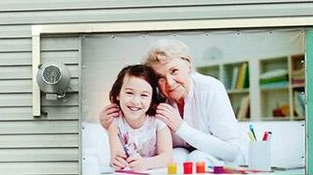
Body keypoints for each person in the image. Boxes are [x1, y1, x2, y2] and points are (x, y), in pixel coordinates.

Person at [100, 39, 244, 164]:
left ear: (188, 65)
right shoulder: (155, 96)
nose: (169, 83)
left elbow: (232, 152)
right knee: (177, 157)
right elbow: (142, 141)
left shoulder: (210, 88)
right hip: (181, 156)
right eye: (160, 77)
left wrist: (181, 127)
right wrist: (110, 125)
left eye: (174, 71)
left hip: (219, 160)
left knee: (197, 158)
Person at [106, 64, 172, 172]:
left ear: (152, 99)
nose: (136, 101)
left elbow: (168, 158)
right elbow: (117, 156)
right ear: (118, 94)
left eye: (144, 95)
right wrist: (117, 162)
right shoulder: (115, 125)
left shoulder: (158, 122)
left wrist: (145, 163)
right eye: (129, 93)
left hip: (155, 173)